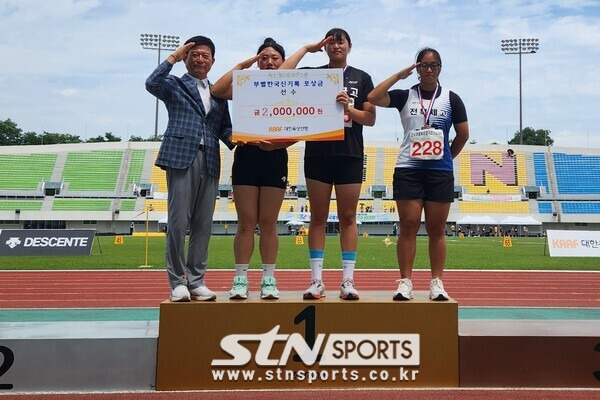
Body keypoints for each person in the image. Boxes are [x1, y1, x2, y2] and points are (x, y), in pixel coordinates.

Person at [211, 37, 328, 300]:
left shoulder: (291, 88)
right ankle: (240, 279)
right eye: (263, 57)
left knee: (268, 223)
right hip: (246, 156)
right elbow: (218, 90)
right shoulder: (246, 87)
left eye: (275, 58)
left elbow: (306, 126)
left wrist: (278, 145)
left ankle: (268, 280)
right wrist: (245, 65)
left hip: (275, 157)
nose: (269, 62)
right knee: (245, 223)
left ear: (283, 62)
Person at [280, 28, 376, 300]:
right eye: (331, 42)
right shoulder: (315, 74)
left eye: (340, 41)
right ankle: (316, 281)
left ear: (349, 46)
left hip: (350, 154)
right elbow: (281, 75)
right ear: (325, 47)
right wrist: (306, 49)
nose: (336, 46)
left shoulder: (362, 78)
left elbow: (370, 119)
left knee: (348, 217)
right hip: (318, 154)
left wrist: (349, 109)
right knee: (318, 218)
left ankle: (347, 281)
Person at [367, 47, 469, 301]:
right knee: (408, 226)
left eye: (434, 65)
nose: (429, 69)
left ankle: (437, 283)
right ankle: (405, 282)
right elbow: (373, 96)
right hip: (408, 170)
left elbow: (463, 134)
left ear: (440, 69)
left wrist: (446, 157)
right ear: (417, 68)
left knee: (437, 229)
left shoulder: (451, 98)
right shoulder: (405, 95)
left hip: (439, 172)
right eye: (424, 65)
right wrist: (399, 76)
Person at [146, 35, 234, 302]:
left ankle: (196, 281)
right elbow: (152, 83)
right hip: (182, 156)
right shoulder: (173, 84)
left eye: (205, 55)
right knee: (177, 223)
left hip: (210, 158)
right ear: (186, 57)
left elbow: (225, 128)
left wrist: (241, 141)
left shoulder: (218, 92)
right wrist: (172, 56)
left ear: (213, 61)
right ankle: (177, 282)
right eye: (194, 54)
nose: (199, 59)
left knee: (203, 224)